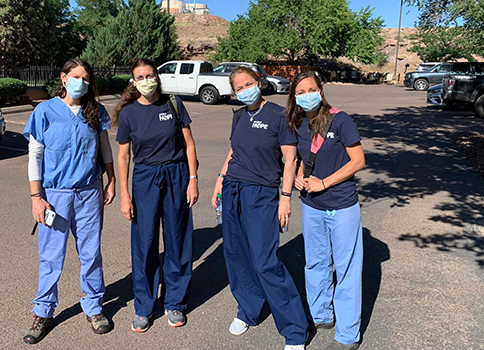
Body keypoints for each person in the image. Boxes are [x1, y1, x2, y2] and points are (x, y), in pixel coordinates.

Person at [212, 66, 309, 350]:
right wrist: (220, 179)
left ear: (259, 82)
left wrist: (286, 197)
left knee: (265, 261)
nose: (244, 90)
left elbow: (290, 160)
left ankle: (294, 330)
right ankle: (248, 309)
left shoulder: (279, 115)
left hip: (262, 194)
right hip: (233, 189)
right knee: (236, 255)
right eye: (238, 88)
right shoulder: (239, 115)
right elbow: (234, 151)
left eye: (248, 84)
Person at [22, 58, 116, 343]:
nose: (82, 82)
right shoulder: (45, 111)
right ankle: (44, 310)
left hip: (89, 192)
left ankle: (93, 305)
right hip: (55, 196)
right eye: (76, 77)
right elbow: (35, 156)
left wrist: (110, 179)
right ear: (63, 78)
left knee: (90, 252)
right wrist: (36, 197)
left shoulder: (95, 111)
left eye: (86, 78)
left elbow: (104, 146)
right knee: (51, 256)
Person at [114, 58, 199, 333]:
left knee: (178, 241)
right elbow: (124, 156)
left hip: (176, 175)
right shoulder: (128, 114)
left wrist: (193, 180)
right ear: (133, 82)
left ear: (157, 77)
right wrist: (125, 195)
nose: (145, 80)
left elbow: (189, 144)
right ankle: (144, 307)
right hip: (145, 179)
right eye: (140, 77)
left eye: (149, 75)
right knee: (145, 244)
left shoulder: (172, 103)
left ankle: (175, 303)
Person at [289, 70, 366, 350]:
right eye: (301, 92)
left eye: (311, 89)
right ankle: (321, 314)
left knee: (346, 269)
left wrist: (325, 182)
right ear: (295, 97)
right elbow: (300, 157)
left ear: (320, 91)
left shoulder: (340, 119)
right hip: (311, 206)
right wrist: (299, 175)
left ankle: (348, 334)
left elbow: (358, 160)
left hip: (342, 205)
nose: (307, 95)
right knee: (316, 263)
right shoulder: (297, 123)